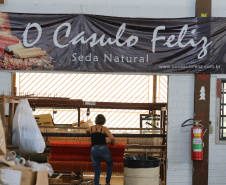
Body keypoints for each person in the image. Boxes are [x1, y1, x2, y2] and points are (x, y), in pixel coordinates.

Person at [86, 114, 115, 185]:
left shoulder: (91, 128)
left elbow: (87, 131)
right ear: (104, 121)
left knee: (97, 171)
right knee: (110, 164)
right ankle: (107, 182)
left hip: (93, 150)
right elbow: (112, 138)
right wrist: (111, 143)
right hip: (103, 149)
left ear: (96, 120)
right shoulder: (104, 128)